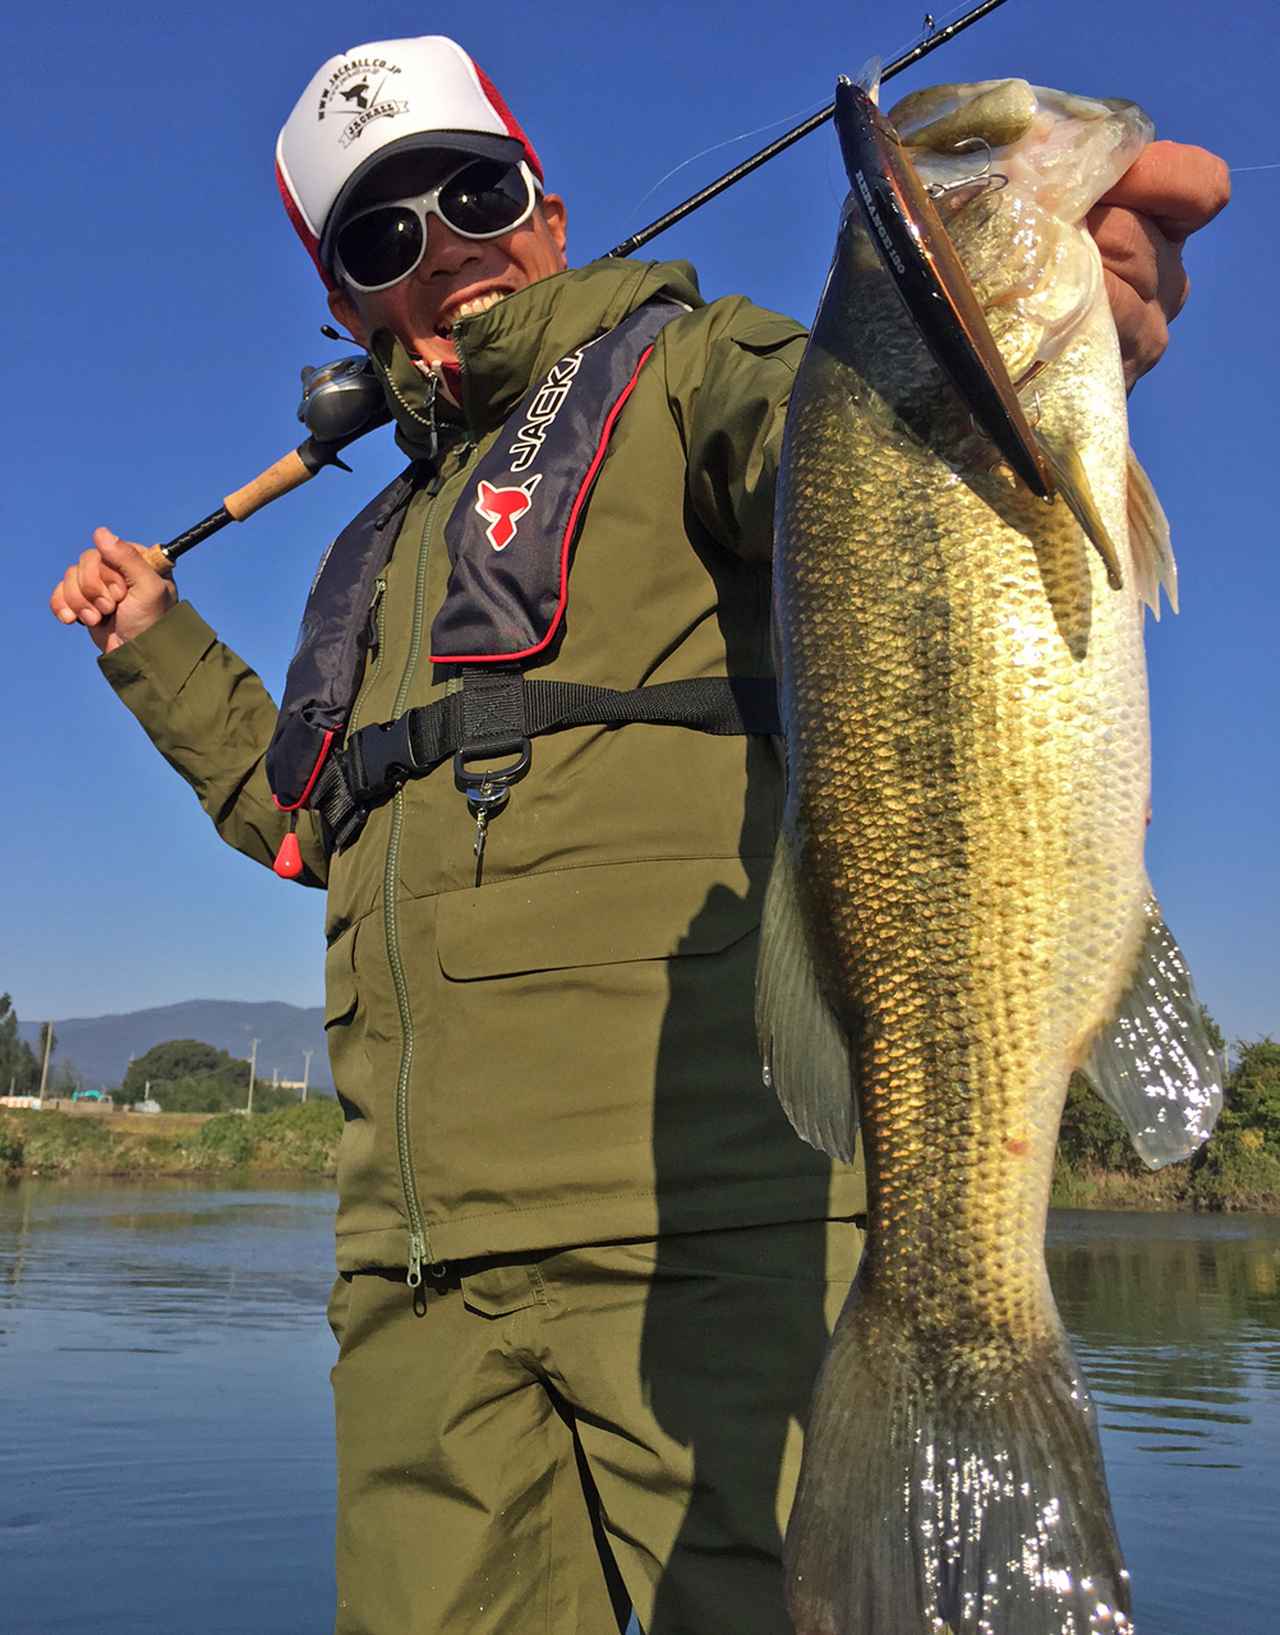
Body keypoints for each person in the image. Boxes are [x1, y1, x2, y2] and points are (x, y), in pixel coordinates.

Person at [49, 35, 1230, 1635]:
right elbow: (301, 815)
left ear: (544, 199)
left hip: (707, 1257)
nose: (444, 245)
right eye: (380, 235)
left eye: (472, 189)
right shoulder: (372, 558)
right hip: (416, 1288)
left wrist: (1015, 337)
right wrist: (156, 650)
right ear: (343, 304)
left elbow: (863, 443)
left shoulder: (693, 373)